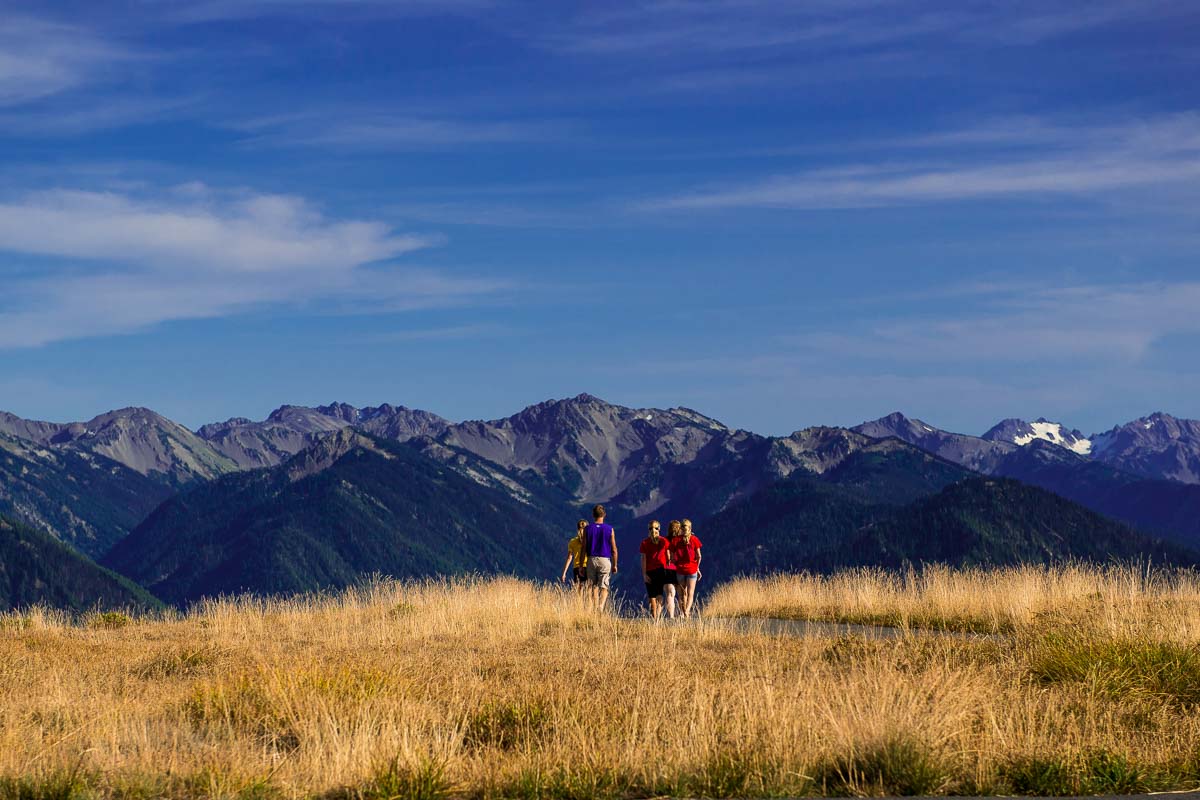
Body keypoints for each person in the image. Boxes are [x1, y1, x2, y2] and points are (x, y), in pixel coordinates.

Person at [584, 504, 618, 611]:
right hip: (604, 560)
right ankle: (601, 606)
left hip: (591, 559)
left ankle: (594, 606)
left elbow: (583, 548)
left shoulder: (587, 529)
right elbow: (614, 549)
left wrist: (581, 565)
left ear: (593, 515)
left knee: (592, 585)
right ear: (604, 515)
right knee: (604, 585)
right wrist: (615, 564)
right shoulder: (610, 529)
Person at [639, 520, 672, 618]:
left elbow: (643, 559)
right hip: (661, 570)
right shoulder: (664, 541)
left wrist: (644, 574)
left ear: (649, 530)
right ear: (659, 529)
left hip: (649, 571)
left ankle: (654, 617)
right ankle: (658, 615)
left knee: (652, 596)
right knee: (659, 594)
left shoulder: (644, 543)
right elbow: (668, 556)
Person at [671, 518, 703, 619]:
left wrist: (676, 563)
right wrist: (697, 568)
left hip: (680, 570)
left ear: (681, 528)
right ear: (690, 528)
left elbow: (671, 556)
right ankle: (687, 612)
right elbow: (699, 556)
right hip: (692, 569)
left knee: (681, 594)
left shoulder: (676, 540)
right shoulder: (694, 539)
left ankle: (682, 612)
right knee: (690, 593)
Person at [560, 520, 589, 592]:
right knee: (589, 590)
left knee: (579, 591)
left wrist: (564, 573)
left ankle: (579, 603)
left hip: (577, 568)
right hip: (589, 567)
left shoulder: (572, 542)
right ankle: (589, 603)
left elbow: (569, 558)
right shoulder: (590, 540)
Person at [662, 520, 681, 618]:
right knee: (682, 594)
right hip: (681, 568)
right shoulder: (683, 540)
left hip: (667, 568)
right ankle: (683, 615)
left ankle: (671, 617)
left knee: (670, 594)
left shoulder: (664, 540)